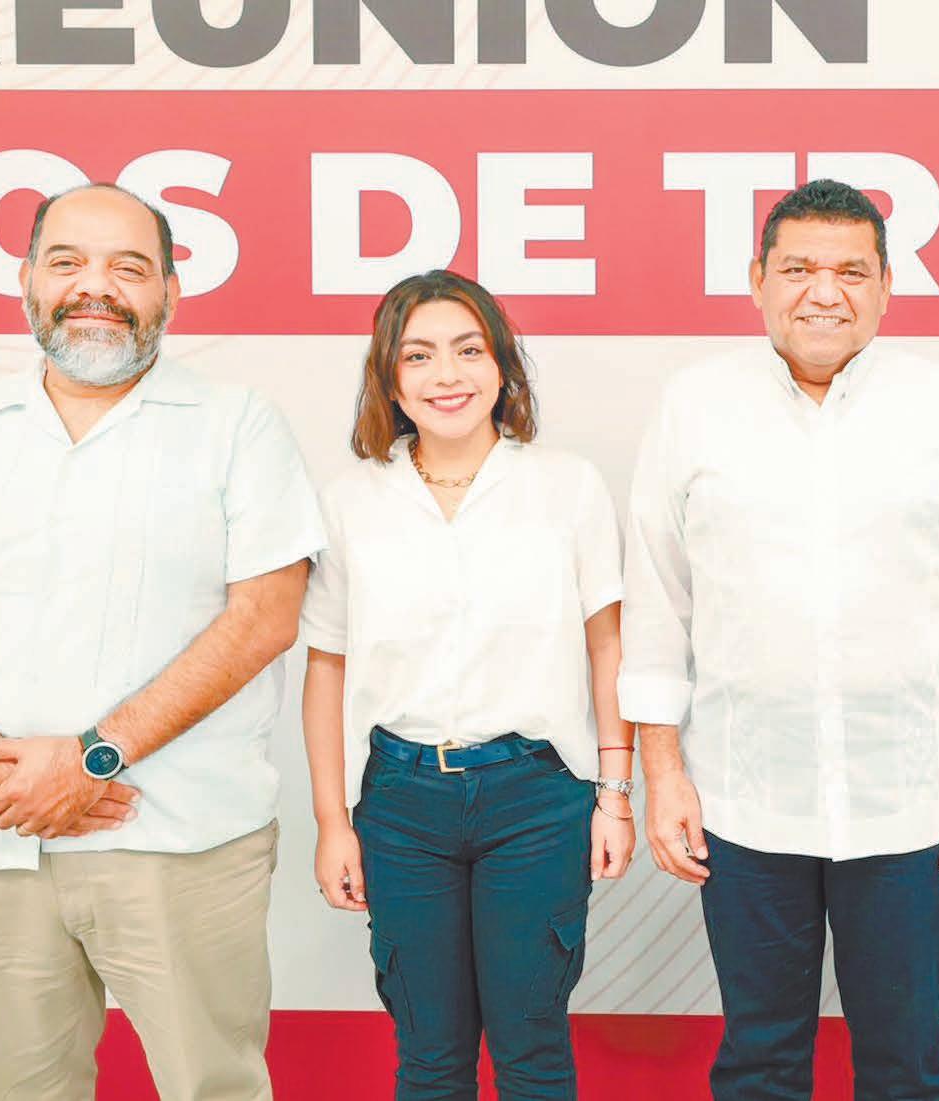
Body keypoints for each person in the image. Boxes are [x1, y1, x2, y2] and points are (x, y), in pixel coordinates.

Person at [0, 183, 324, 1101]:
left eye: (129, 267)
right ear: (26, 279)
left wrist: (94, 756)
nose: (96, 286)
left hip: (182, 839)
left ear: (171, 290)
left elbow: (264, 615)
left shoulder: (237, 425)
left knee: (215, 1088)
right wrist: (0, 776)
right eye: (67, 262)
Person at [619, 179, 939, 1100]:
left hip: (911, 805)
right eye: (799, 268)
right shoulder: (695, 405)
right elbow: (655, 600)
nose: (824, 292)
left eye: (851, 271)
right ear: (757, 281)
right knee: (760, 1062)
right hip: (743, 799)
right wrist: (663, 771)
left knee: (904, 1068)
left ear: (885, 287)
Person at [299, 269, 634, 1100]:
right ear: (389, 379)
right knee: (430, 1059)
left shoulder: (566, 485)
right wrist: (333, 821)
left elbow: (608, 646)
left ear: (501, 365)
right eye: (418, 356)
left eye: (467, 350)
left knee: (533, 1053)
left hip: (537, 797)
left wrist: (615, 795)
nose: (446, 375)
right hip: (400, 803)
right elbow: (326, 665)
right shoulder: (351, 501)